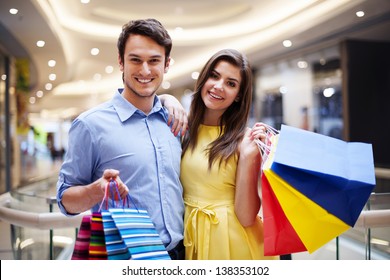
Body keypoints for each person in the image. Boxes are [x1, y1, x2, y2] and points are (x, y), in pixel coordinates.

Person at [56, 18, 187, 260]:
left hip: (181, 254)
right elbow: (65, 200)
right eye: (135, 59)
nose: (145, 70)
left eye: (154, 61)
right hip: (124, 257)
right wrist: (96, 191)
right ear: (121, 62)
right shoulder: (90, 125)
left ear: (167, 64)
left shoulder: (175, 121)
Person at [179, 49, 277, 260]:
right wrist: (168, 98)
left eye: (231, 83)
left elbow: (246, 216)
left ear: (238, 95)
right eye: (214, 76)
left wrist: (248, 158)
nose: (218, 86)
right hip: (191, 235)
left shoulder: (245, 141)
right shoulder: (184, 129)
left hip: (232, 243)